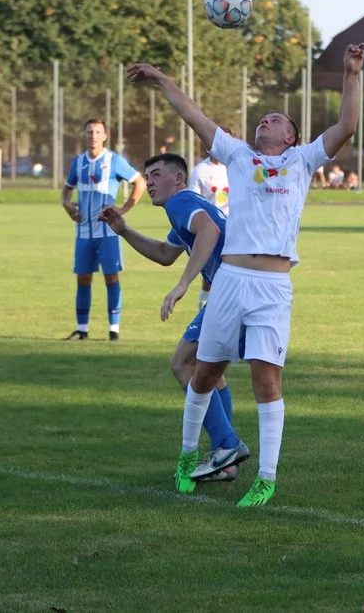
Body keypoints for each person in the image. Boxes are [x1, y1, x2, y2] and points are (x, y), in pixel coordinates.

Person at [127, 43, 364, 506]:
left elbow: (347, 126)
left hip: (273, 287)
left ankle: (267, 479)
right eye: (263, 117)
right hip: (231, 282)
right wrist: (160, 80)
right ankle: (187, 456)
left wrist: (352, 73)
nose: (266, 120)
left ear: (292, 137)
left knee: (266, 380)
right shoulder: (237, 155)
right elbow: (193, 115)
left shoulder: (302, 161)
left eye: (277, 119)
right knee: (203, 373)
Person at [98, 153, 248, 486]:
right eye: (146, 176)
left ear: (178, 178)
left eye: (155, 175)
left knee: (182, 364)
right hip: (244, 289)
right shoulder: (186, 204)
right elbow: (165, 255)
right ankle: (224, 460)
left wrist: (183, 284)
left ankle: (227, 444)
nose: (148, 182)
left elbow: (208, 231)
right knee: (211, 372)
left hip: (230, 289)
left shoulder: (180, 202)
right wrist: (123, 229)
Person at [61, 119, 145, 341]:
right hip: (84, 233)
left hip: (108, 234)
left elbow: (140, 182)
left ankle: (113, 331)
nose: (93, 135)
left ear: (105, 136)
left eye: (98, 132)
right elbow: (66, 191)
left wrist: (123, 210)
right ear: (84, 135)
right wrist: (67, 205)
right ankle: (82, 330)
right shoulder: (78, 163)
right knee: (83, 279)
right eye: (90, 131)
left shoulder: (114, 161)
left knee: (111, 278)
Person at [189, 126, 232, 309]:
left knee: (232, 276)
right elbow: (193, 201)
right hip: (211, 232)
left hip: (235, 231)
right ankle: (203, 316)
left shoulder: (237, 167)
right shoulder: (201, 171)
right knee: (210, 279)